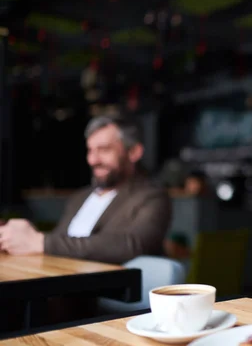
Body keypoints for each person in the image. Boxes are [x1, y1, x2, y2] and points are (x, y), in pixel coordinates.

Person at [0, 112, 172, 265]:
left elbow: (132, 244)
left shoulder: (151, 197)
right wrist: (14, 238)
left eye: (104, 150)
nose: (93, 160)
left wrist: (40, 242)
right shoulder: (80, 197)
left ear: (134, 152)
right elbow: (62, 242)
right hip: (57, 280)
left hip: (97, 292)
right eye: (90, 150)